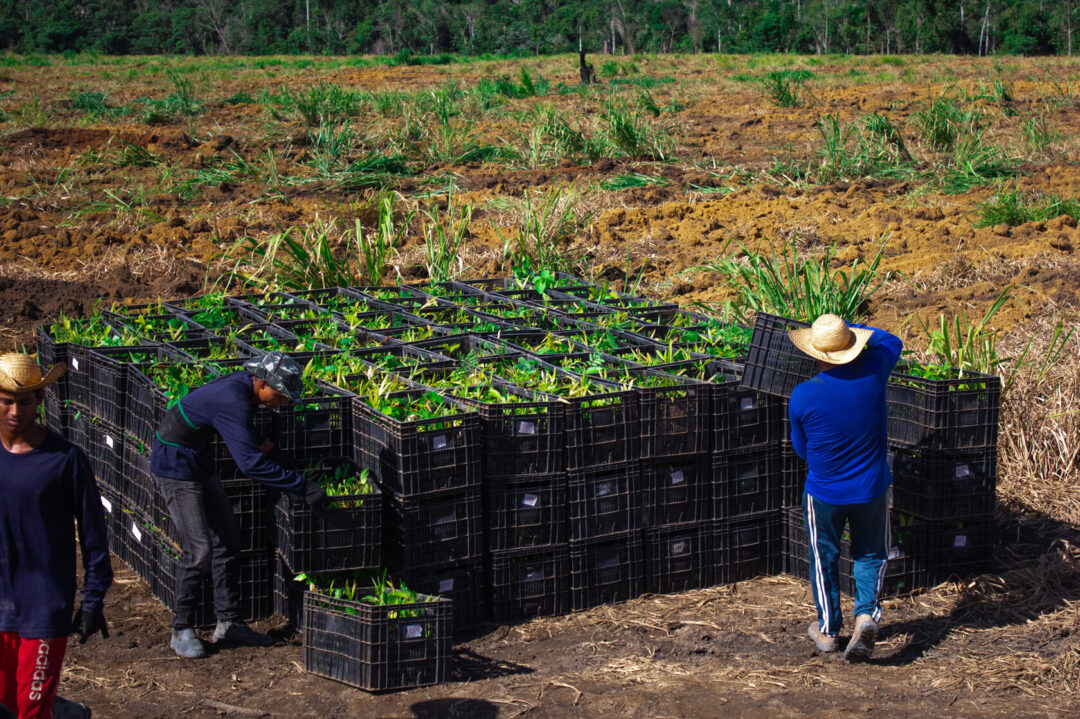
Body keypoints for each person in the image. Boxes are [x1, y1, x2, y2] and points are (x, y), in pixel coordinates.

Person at [150, 352, 329, 660]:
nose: (284, 401)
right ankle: (181, 629)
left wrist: (262, 443)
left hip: (199, 461)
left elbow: (240, 434)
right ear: (262, 384)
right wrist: (302, 486)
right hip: (175, 466)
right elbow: (250, 465)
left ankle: (229, 623)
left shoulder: (244, 388)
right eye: (281, 395)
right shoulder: (234, 399)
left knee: (229, 540)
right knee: (199, 550)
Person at [0, 353, 112, 718]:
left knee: (30, 709)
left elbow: (94, 535)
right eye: (6, 401)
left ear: (39, 400)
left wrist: (93, 599)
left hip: (44, 605)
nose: (15, 411)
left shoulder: (65, 459)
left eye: (24, 402)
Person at [787, 314, 902, 662]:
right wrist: (857, 331)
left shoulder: (803, 395)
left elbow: (801, 449)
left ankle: (828, 630)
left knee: (824, 557)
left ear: (816, 353)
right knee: (870, 553)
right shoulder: (874, 372)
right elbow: (892, 341)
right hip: (871, 487)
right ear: (850, 347)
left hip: (825, 492)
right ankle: (865, 615)